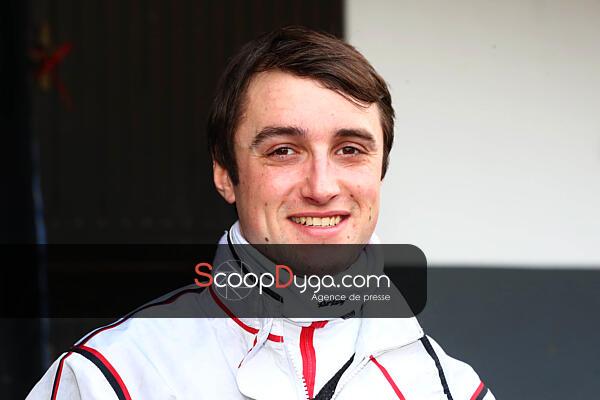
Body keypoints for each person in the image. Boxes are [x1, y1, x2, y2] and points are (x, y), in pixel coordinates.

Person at [27, 26, 494, 400]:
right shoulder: (112, 379)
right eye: (283, 150)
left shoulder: (450, 389)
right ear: (225, 173)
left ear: (380, 170)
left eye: (350, 149)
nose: (321, 188)